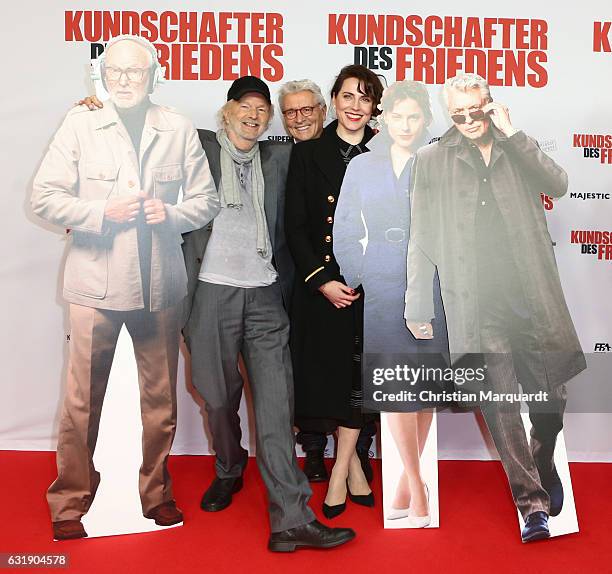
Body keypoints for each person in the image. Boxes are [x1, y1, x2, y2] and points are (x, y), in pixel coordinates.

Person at [30, 34, 221, 540]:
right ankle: (71, 499)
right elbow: (44, 197)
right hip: (93, 286)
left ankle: (155, 494)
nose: (124, 81)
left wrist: (173, 213)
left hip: (160, 287)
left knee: (159, 399)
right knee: (80, 400)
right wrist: (97, 213)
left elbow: (206, 200)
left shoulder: (177, 127)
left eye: (135, 72)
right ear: (102, 75)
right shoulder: (80, 123)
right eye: (115, 72)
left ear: (153, 74)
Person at [404, 73, 586, 542]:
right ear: (448, 113)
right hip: (476, 301)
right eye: (457, 114)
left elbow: (559, 183)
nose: (467, 121)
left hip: (529, 293)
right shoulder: (432, 160)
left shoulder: (514, 147)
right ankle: (532, 505)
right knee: (500, 401)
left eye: (475, 111)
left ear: (490, 105)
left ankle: (542, 459)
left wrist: (513, 134)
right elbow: (421, 236)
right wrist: (417, 304)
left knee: (551, 398)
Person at [181, 75, 355, 551]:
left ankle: (291, 519)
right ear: (228, 110)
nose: (255, 115)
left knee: (277, 407)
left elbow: (329, 145)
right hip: (211, 295)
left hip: (264, 297)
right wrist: (98, 107)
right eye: (246, 106)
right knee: (217, 398)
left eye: (263, 109)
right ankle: (229, 466)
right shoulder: (196, 147)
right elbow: (146, 133)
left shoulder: (280, 157)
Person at [333, 80, 449, 527]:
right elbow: (344, 227)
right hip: (382, 281)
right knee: (397, 386)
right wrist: (359, 274)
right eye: (396, 116)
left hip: (432, 281)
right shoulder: (362, 165)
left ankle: (408, 482)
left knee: (424, 388)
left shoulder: (438, 162)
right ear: (383, 118)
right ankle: (417, 487)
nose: (405, 124)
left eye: (413, 116)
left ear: (425, 120)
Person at [285, 65, 384, 519]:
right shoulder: (309, 153)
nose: (354, 106)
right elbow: (297, 226)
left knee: (359, 382)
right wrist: (322, 280)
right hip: (324, 287)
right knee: (329, 380)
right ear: (334, 101)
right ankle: (352, 469)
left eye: (364, 98)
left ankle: (344, 471)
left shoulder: (390, 150)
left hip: (374, 287)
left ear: (374, 106)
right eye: (347, 96)